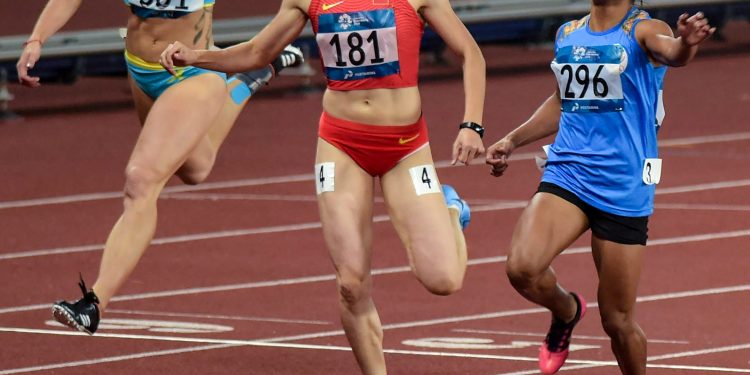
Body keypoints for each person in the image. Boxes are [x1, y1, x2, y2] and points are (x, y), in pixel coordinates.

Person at [159, 0, 485, 372]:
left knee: (443, 279)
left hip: (404, 148)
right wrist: (194, 56)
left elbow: (470, 53)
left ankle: (449, 210)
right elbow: (257, 52)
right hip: (341, 144)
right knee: (351, 283)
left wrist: (471, 124)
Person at [16, 0, 304, 335]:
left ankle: (94, 303)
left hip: (194, 71)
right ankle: (247, 80)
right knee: (196, 169)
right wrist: (36, 39)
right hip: (140, 68)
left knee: (141, 181)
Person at [485, 1, 714, 374]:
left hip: (623, 183)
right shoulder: (568, 35)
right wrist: (512, 140)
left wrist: (687, 43)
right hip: (569, 170)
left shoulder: (642, 29)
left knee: (618, 322)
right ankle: (566, 310)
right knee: (522, 268)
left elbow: (673, 52)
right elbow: (564, 101)